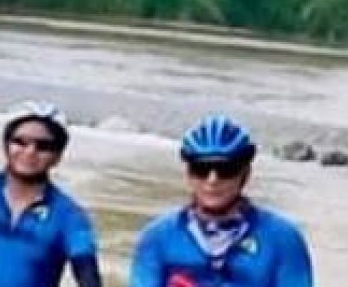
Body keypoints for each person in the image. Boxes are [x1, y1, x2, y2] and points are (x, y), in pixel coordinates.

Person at [0, 16, 103, 287]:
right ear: (6, 145)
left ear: (58, 155)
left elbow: (88, 276)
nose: (29, 151)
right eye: (20, 141)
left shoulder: (69, 217)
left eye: (43, 145)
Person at [128, 114, 314, 287]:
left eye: (226, 169)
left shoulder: (283, 239)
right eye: (202, 169)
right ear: (189, 175)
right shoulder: (157, 238)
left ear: (245, 174)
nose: (212, 180)